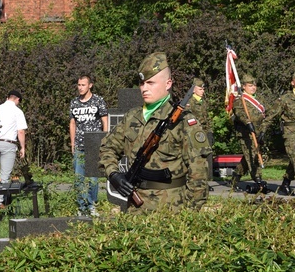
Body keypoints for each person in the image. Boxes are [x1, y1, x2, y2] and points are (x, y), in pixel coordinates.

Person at [99, 52, 211, 212]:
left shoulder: (184, 121)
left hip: (172, 208)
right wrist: (114, 175)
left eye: (150, 83)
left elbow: (198, 172)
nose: (144, 88)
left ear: (168, 84)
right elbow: (107, 149)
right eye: (142, 83)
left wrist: (190, 213)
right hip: (135, 208)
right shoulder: (131, 117)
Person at [261, 70, 295, 197]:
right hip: (291, 133)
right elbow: (271, 115)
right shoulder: (285, 99)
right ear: (292, 83)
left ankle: (285, 184)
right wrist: (263, 130)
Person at [69, 75, 108, 216]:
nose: (80, 87)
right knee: (79, 178)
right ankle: (81, 206)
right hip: (79, 144)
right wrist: (72, 143)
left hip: (94, 144)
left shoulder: (98, 100)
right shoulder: (74, 102)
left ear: (90, 85)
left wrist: (104, 140)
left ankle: (92, 205)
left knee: (92, 179)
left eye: (83, 85)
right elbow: (72, 123)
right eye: (78, 85)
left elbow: (105, 121)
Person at [230, 74, 267, 193]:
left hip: (258, 132)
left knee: (248, 157)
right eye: (250, 86)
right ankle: (258, 179)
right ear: (244, 87)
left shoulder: (257, 99)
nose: (253, 88)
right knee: (253, 156)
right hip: (247, 133)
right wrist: (247, 122)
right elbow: (239, 113)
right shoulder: (240, 100)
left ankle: (234, 179)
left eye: (254, 85)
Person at [0, 90, 28, 184]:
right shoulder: (17, 112)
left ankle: (4, 196)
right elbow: (21, 131)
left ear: (7, 98)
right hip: (8, 144)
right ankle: (0, 198)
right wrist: (22, 147)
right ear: (17, 99)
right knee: (5, 177)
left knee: (3, 171)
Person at [188, 78, 214, 188]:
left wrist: (210, 132)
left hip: (204, 133)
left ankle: (205, 182)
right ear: (194, 89)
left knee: (206, 158)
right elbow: (189, 121)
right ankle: (197, 182)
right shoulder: (189, 103)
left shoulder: (203, 102)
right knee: (197, 159)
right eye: (200, 88)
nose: (202, 91)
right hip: (195, 135)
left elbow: (207, 119)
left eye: (203, 89)